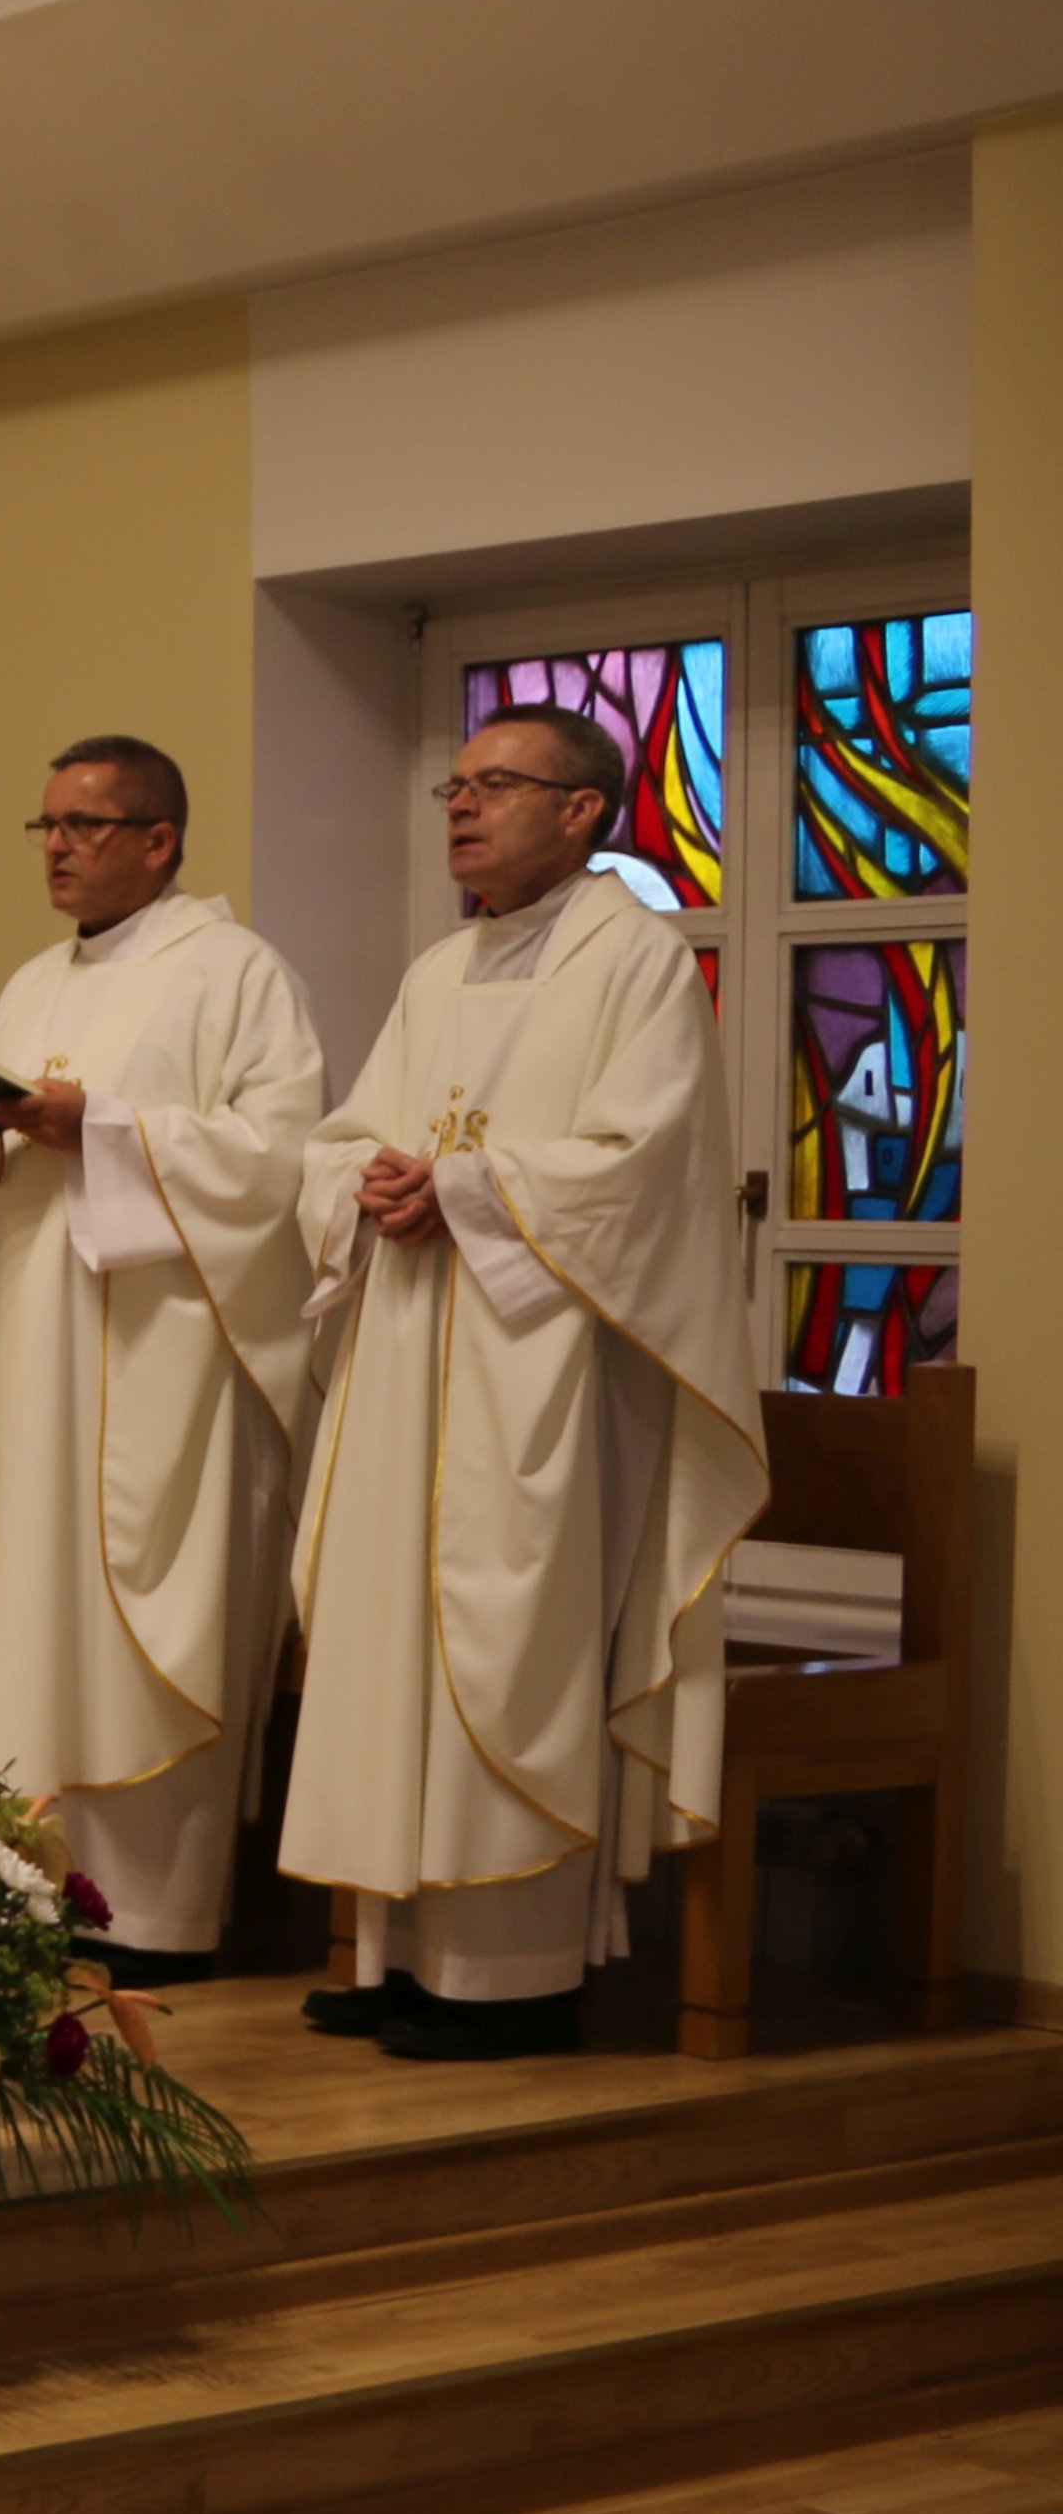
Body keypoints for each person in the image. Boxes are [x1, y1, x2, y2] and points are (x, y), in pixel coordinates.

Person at [282, 703, 767, 2060]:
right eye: (456, 784)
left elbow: (645, 1167)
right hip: (410, 1356)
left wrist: (464, 1188)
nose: (462, 805)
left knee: (509, 1648)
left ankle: (509, 1978)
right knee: (392, 1644)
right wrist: (368, 1181)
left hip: (538, 1369)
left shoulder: (637, 960)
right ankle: (397, 1952)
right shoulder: (440, 968)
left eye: (496, 785)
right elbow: (344, 1136)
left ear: (582, 811)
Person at [0, 736, 326, 1980]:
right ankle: (10, 1889)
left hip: (161, 1370)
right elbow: (11, 1167)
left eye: (85, 825)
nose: (57, 846)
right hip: (29, 1362)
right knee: (22, 1614)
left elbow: (280, 1159)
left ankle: (148, 1915)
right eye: (45, 824)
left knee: (140, 1627)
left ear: (160, 841)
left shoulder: (237, 973)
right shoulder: (33, 982)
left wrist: (100, 1126)